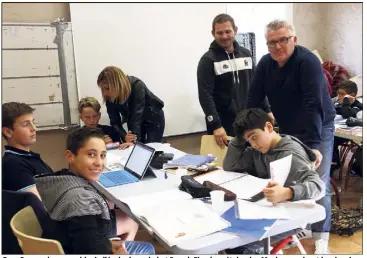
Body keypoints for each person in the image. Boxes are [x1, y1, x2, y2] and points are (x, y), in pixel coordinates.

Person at [246, 19, 335, 254]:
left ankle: (321, 237)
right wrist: (250, 130)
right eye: (272, 42)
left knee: (318, 181)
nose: (277, 46)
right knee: (288, 179)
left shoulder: (307, 63)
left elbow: (313, 105)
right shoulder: (266, 64)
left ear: (293, 39)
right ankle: (297, 226)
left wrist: (314, 146)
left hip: (318, 126)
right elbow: (252, 101)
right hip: (287, 126)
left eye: (283, 40)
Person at [34, 127, 154, 254]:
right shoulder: (82, 202)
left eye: (102, 155)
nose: (99, 163)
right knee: (147, 249)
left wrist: (105, 243)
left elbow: (86, 237)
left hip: (70, 243)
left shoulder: (59, 180)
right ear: (70, 156)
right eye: (91, 154)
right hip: (74, 249)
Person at [223, 108, 324, 254]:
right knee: (228, 234)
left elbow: (318, 186)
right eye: (248, 140)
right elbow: (230, 166)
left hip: (291, 218)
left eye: (254, 137)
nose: (253, 144)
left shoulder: (290, 153)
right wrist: (239, 138)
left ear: (269, 127)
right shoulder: (258, 150)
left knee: (237, 246)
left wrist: (288, 193)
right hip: (266, 210)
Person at [197, 13, 271, 149]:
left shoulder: (246, 54)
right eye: (219, 32)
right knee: (228, 166)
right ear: (213, 33)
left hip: (249, 123)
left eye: (228, 31)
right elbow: (205, 95)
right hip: (224, 127)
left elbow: (258, 86)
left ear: (235, 30)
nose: (224, 36)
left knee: (253, 163)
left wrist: (267, 110)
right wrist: (216, 125)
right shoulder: (207, 60)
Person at [97, 66, 165, 144]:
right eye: (102, 89)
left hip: (153, 117)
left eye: (107, 88)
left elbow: (137, 115)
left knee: (151, 147)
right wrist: (125, 136)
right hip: (134, 119)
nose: (105, 93)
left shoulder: (137, 85)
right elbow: (115, 122)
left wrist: (132, 140)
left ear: (117, 84)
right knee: (136, 146)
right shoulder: (109, 96)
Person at [2, 102, 53, 200]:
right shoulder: (12, 164)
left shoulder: (30, 157)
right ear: (8, 132)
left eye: (33, 122)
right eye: (26, 125)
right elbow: (37, 206)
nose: (33, 128)